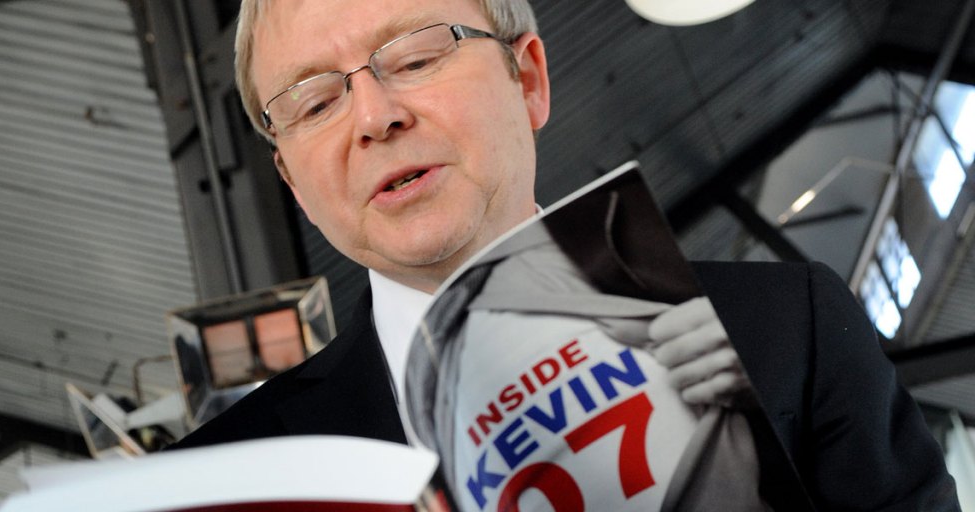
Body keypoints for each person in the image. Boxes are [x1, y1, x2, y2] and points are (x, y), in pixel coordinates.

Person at [173, 0, 959, 509]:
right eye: (314, 101)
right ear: (293, 182)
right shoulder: (230, 479)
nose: (374, 117)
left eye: (414, 57)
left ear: (529, 80)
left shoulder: (789, 326)